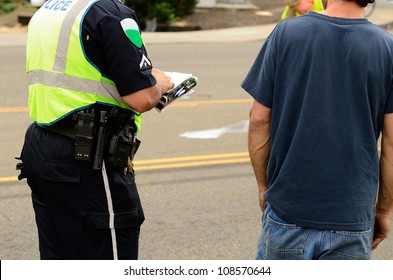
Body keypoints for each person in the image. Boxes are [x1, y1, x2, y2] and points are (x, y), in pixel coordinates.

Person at [16, 0, 174, 260]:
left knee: (59, 257)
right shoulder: (111, 13)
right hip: (88, 155)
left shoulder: (49, 8)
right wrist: (160, 83)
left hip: (43, 145)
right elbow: (142, 97)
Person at [241, 0, 393, 260]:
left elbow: (258, 120)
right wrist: (383, 210)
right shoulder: (387, 48)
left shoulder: (287, 33)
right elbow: (391, 144)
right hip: (351, 216)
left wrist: (263, 186)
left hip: (288, 210)